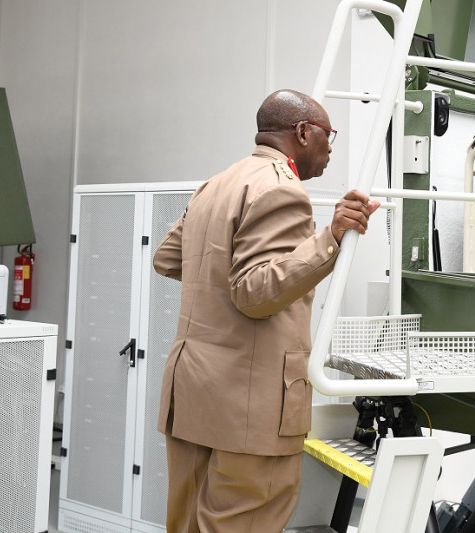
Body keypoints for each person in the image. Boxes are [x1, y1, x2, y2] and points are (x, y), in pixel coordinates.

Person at [153, 89, 380, 532]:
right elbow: (254, 294)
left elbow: (167, 257)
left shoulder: (216, 184)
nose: (331, 147)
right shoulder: (282, 189)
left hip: (193, 396)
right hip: (250, 407)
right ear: (303, 132)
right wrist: (330, 239)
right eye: (328, 135)